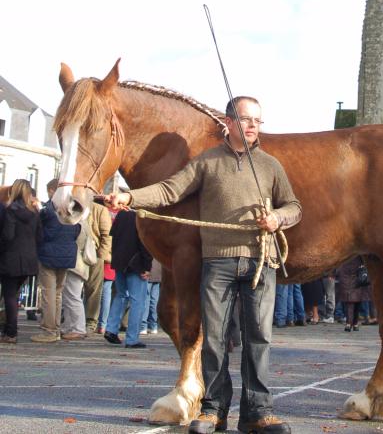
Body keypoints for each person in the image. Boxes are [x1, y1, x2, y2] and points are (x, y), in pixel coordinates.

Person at [105, 95, 301, 434]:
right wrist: (129, 198)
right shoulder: (207, 162)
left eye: (257, 120)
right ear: (228, 122)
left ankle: (258, 413)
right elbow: (169, 191)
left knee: (259, 339)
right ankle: (213, 411)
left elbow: (295, 207)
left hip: (260, 262)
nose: (253, 126)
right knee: (214, 339)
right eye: (246, 119)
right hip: (219, 263)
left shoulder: (270, 165)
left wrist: (278, 218)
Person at [32, 178, 80, 343]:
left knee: (48, 293)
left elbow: (41, 232)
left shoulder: (48, 210)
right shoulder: (74, 210)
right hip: (67, 255)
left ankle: (48, 330)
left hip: (48, 255)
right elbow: (76, 232)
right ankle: (56, 328)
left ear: (54, 191)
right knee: (58, 293)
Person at [104, 205, 152, 348]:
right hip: (136, 263)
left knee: (121, 295)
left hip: (119, 261)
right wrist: (147, 265)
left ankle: (111, 329)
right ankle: (132, 339)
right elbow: (145, 243)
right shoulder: (143, 215)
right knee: (138, 300)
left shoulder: (122, 214)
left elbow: (113, 236)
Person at [0, 179, 42, 343]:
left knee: (9, 295)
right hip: (29, 260)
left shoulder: (11, 211)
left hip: (10, 258)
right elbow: (40, 237)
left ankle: (11, 332)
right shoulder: (35, 213)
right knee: (14, 295)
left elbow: (8, 236)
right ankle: (9, 329)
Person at [60, 218, 95, 339]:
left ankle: (78, 328)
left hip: (75, 264)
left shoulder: (76, 224)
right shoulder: (84, 223)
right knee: (70, 297)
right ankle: (69, 326)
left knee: (72, 297)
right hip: (79, 264)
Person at [84, 199, 112, 332]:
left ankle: (91, 320)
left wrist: (101, 255)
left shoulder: (100, 210)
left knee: (93, 289)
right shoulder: (75, 206)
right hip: (77, 252)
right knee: (74, 289)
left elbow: (107, 235)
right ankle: (77, 319)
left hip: (94, 253)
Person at [335, 256, 371, 332]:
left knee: (356, 301)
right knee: (351, 301)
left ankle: (352, 323)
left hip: (357, 275)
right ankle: (353, 323)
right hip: (349, 274)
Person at [140, 257, 162, 335]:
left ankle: (143, 326)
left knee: (145, 299)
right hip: (158, 270)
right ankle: (153, 326)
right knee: (154, 300)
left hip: (148, 270)